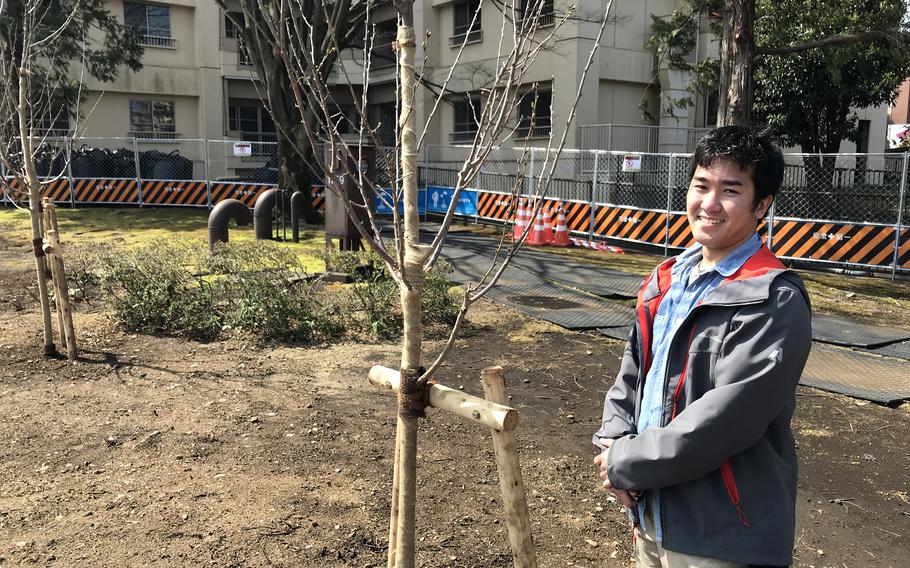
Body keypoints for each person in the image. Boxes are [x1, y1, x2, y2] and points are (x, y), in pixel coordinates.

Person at [593, 126, 812, 568]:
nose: (709, 204)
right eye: (701, 184)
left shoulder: (772, 299)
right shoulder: (668, 279)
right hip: (651, 515)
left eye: (730, 189)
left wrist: (627, 462)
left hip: (724, 532)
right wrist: (613, 442)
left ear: (762, 204)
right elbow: (633, 374)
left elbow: (726, 421)